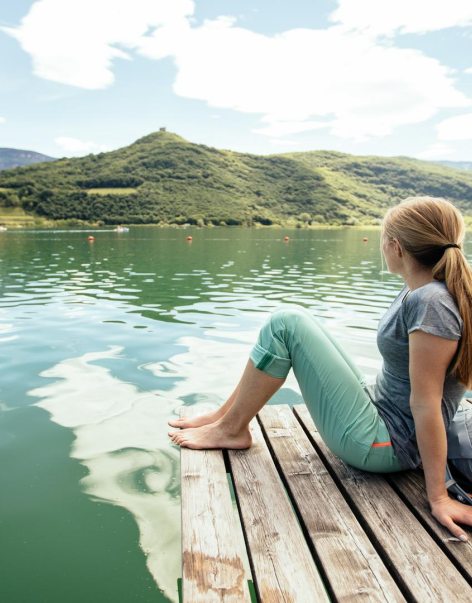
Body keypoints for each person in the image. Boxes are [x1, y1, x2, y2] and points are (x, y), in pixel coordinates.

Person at [168, 196, 472, 541]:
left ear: (396, 246)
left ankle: (231, 429)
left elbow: (426, 402)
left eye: (382, 239)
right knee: (297, 322)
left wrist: (438, 497)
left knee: (287, 323)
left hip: (384, 444)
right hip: (380, 412)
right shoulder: (419, 290)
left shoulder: (431, 302)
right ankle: (225, 419)